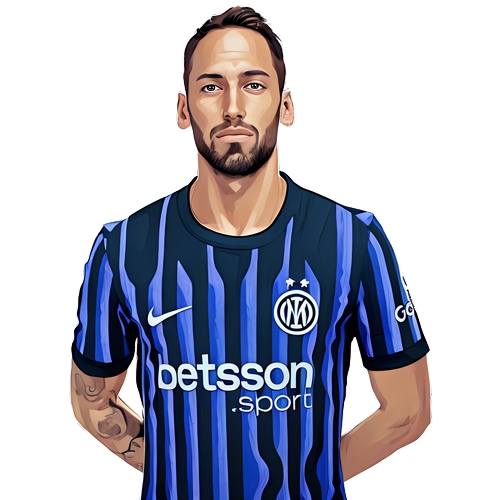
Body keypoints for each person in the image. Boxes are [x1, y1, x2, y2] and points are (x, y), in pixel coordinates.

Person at [69, 4, 432, 499]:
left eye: (254, 84)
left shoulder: (353, 239)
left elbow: (408, 411)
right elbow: (93, 401)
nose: (233, 107)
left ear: (287, 107)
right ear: (183, 110)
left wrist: (307, 484)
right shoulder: (124, 246)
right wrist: (179, 474)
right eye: (211, 86)